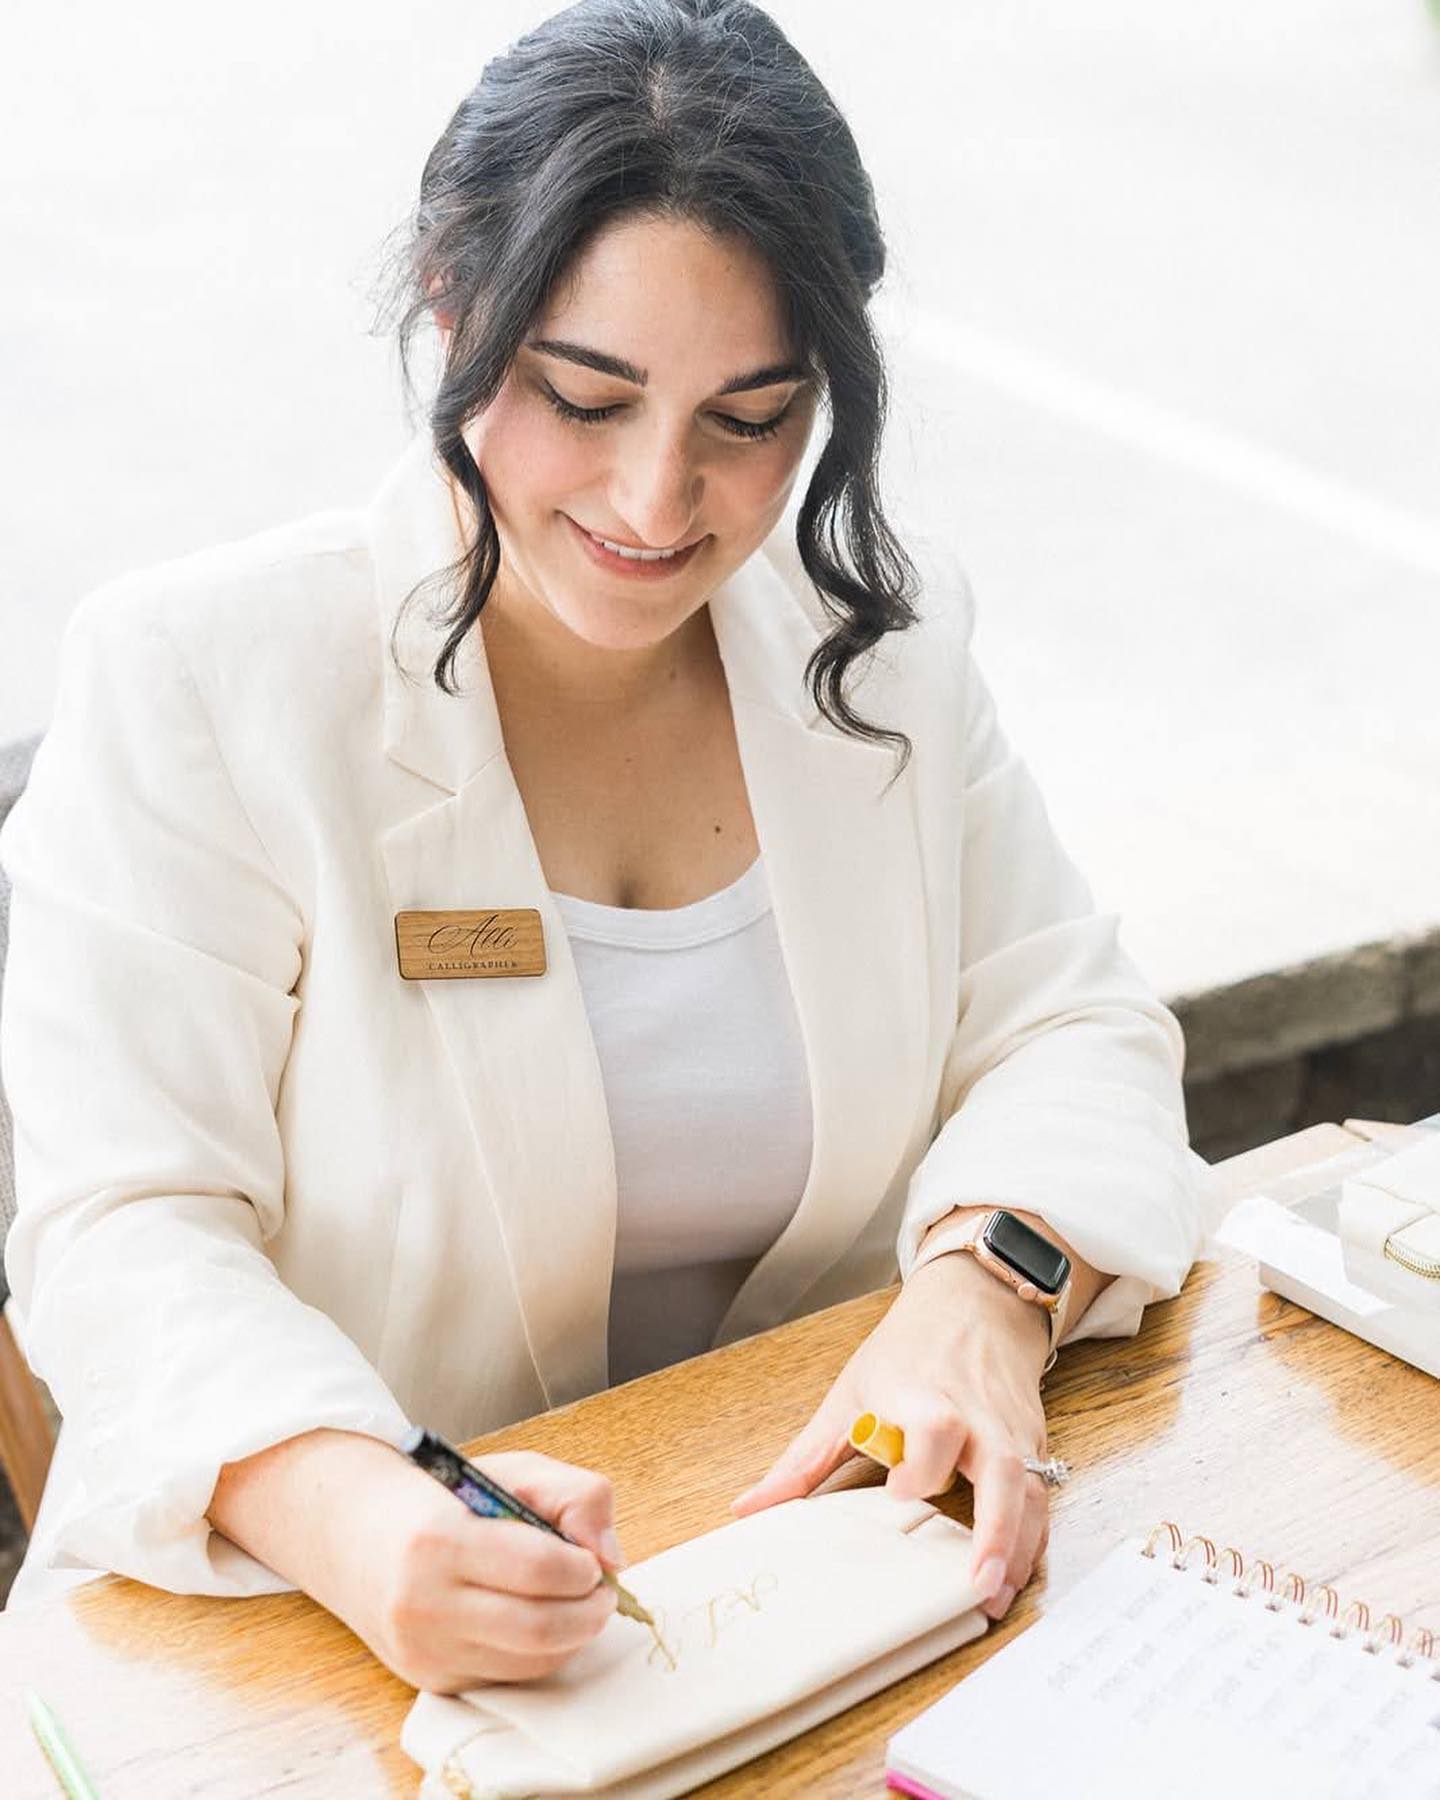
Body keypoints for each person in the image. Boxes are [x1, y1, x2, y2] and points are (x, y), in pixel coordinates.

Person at [0, 0, 1209, 1692]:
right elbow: (118, 1232)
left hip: (815, 1582)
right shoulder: (205, 679)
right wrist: (353, 1509)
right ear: (450, 302)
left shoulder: (882, 648)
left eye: (749, 418)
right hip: (309, 1640)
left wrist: (984, 1293)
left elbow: (1069, 1022)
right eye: (584, 397)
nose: (658, 506)